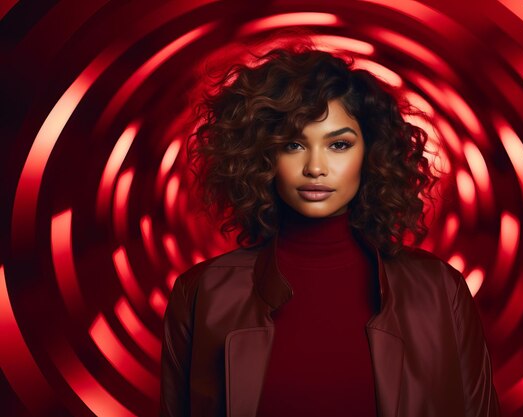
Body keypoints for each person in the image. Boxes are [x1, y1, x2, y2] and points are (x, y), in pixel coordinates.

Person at [160, 40, 500, 417]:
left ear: (371, 153)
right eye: (292, 144)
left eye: (338, 144)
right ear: (260, 155)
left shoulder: (440, 290)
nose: (315, 167)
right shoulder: (202, 294)